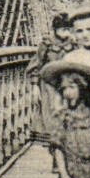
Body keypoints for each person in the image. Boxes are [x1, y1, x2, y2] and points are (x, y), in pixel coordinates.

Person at [27, 13, 76, 143]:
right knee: (50, 117)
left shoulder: (74, 43)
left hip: (67, 83)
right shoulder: (47, 44)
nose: (66, 32)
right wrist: (34, 87)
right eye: (62, 29)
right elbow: (36, 65)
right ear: (56, 29)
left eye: (68, 29)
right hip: (49, 86)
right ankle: (52, 146)